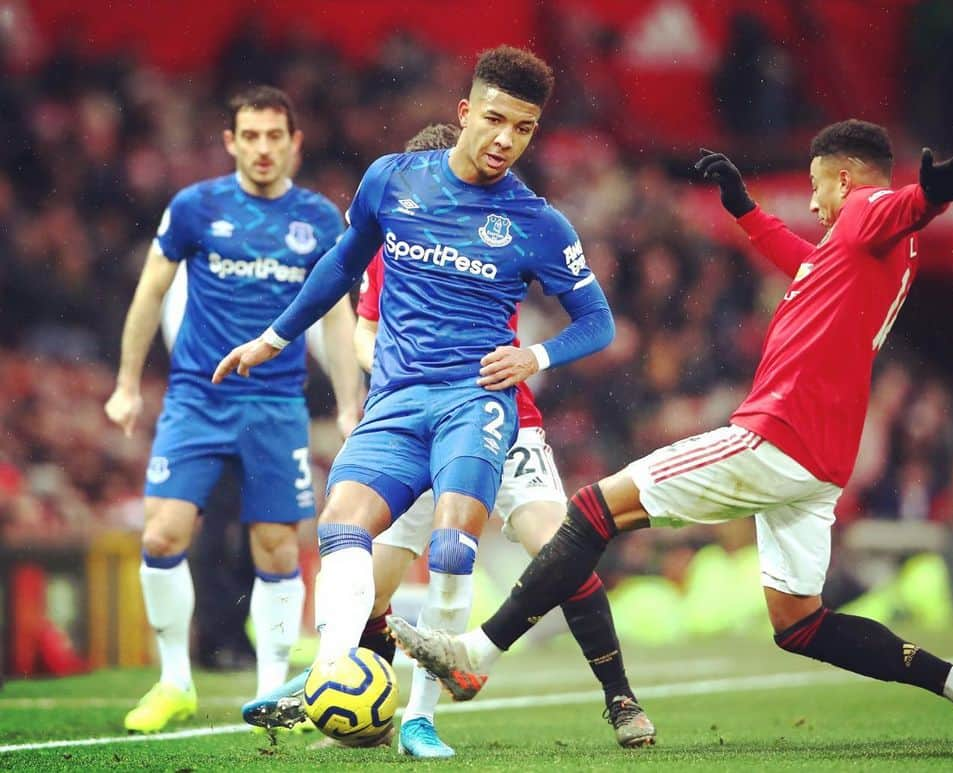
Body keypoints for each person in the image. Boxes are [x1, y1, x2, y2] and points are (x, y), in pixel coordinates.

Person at [389, 120, 953, 757]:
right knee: (801, 622)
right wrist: (748, 213)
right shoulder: (858, 256)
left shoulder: (867, 211)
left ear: (843, 178)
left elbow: (894, 208)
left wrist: (932, 196)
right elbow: (805, 262)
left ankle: (477, 653)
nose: (812, 205)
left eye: (816, 189)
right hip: (821, 461)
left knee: (593, 508)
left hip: (776, 437)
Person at [215, 47, 617, 748]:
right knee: (342, 524)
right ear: (465, 112)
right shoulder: (392, 182)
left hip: (475, 405)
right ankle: (333, 675)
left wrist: (536, 354)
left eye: (522, 129)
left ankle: (421, 715)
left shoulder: (536, 220)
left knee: (456, 542)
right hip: (397, 403)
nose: (504, 140)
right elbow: (340, 264)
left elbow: (598, 320)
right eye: (494, 119)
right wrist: (273, 339)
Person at [349, 121, 652, 758]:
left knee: (560, 548)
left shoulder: (509, 225)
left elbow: (596, 321)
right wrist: (390, 385)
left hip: (499, 418)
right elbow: (364, 328)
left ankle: (619, 696)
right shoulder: (389, 244)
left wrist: (534, 357)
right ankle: (355, 692)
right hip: (414, 425)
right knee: (369, 586)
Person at [105, 85, 360, 733]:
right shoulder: (196, 207)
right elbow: (149, 291)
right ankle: (174, 680)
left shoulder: (319, 220)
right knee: (162, 532)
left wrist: (352, 403)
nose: (263, 148)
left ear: (294, 141)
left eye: (275, 135)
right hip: (197, 395)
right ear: (231, 142)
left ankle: (273, 692)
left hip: (276, 402)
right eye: (250, 136)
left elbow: (336, 316)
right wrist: (128, 383)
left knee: (275, 547)